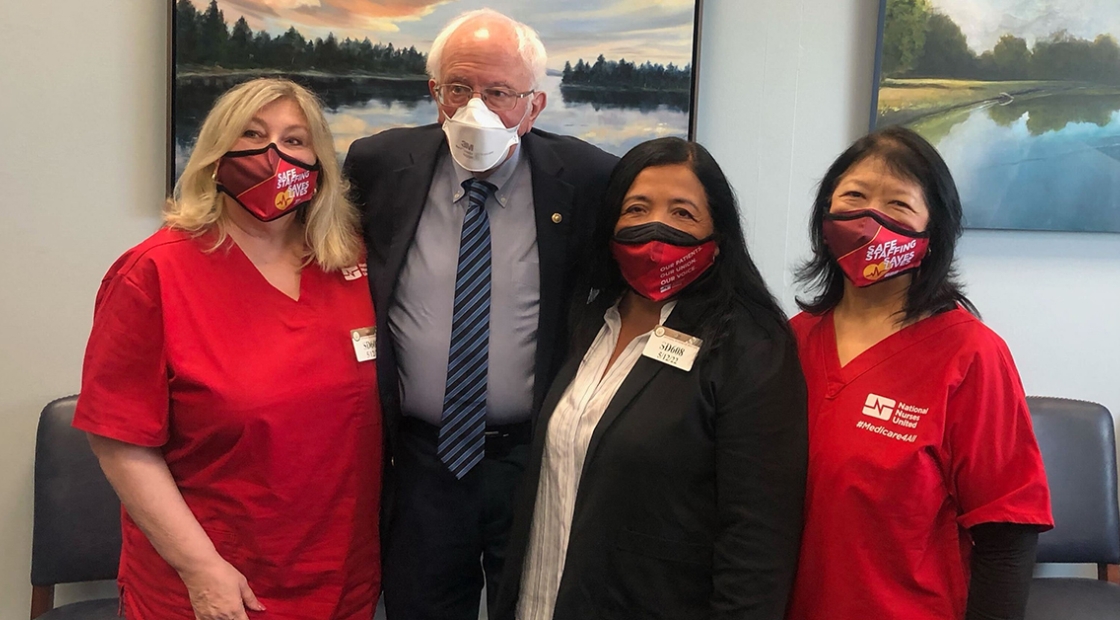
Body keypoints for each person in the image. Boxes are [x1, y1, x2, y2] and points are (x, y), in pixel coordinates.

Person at [342, 8, 618, 620]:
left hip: (534, 457)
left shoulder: (589, 178)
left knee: (537, 605)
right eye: (459, 88)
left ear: (535, 105)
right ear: (433, 91)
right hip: (420, 460)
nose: (476, 109)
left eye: (499, 92)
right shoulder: (378, 165)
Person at [73, 78, 382, 620]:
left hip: (341, 578)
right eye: (252, 134)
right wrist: (201, 569)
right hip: (215, 586)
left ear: (320, 162)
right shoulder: (155, 273)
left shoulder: (349, 263)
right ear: (215, 154)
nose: (273, 155)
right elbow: (120, 442)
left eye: (295, 140)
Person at [493, 137, 808, 620]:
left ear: (719, 235)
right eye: (636, 208)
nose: (655, 227)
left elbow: (757, 536)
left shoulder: (749, 343)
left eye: (683, 213)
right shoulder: (588, 317)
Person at [786, 126, 1053, 620]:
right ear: (825, 217)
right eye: (855, 197)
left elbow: (1006, 537)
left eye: (898, 205)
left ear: (932, 235)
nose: (870, 220)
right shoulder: (789, 341)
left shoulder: (972, 356)